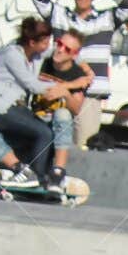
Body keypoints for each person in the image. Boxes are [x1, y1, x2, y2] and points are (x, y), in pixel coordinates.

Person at [30, 0, 128, 148]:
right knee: (52, 144)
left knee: (84, 145)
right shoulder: (59, 14)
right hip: (60, 87)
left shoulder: (107, 18)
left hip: (91, 92)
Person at [0, 17, 66, 186]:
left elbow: (59, 53)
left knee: (45, 131)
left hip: (18, 108)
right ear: (32, 42)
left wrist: (83, 65)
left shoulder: (33, 53)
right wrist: (62, 88)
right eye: (44, 42)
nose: (47, 46)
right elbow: (32, 85)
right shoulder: (12, 54)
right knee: (44, 133)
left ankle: (30, 172)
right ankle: (38, 177)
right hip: (3, 108)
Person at [28, 30, 94, 189]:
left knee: (63, 114)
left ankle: (58, 172)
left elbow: (77, 108)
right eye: (59, 44)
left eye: (67, 49)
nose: (60, 50)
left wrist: (65, 92)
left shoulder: (76, 74)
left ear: (74, 54)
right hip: (34, 117)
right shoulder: (43, 62)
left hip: (56, 122)